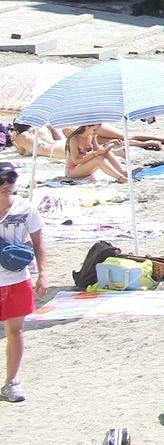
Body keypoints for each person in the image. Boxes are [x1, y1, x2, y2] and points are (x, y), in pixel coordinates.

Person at [0, 164, 46, 404]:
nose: (7, 185)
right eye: (2, 180)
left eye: (11, 179)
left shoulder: (25, 208)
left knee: (15, 331)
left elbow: (39, 242)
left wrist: (43, 274)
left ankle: (11, 381)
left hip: (17, 278)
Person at [63, 124, 129, 183]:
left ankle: (123, 172)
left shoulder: (92, 135)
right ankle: (120, 178)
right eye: (94, 130)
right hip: (73, 170)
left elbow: (99, 150)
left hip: (85, 165)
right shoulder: (75, 139)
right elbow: (76, 161)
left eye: (97, 130)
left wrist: (110, 143)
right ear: (87, 127)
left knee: (107, 153)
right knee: (99, 159)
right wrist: (94, 154)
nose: (96, 132)